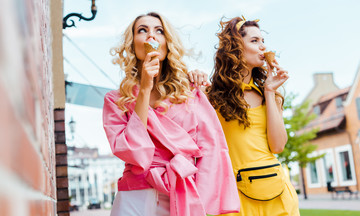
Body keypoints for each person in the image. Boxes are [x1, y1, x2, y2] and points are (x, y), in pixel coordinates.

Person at [102, 12, 240, 216]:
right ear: (133, 45)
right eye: (142, 30)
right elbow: (134, 153)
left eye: (159, 31)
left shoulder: (190, 93)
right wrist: (145, 89)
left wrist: (211, 202)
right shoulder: (115, 100)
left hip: (182, 193)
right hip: (134, 197)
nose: (152, 36)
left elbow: (213, 148)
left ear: (167, 43)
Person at [189, 16, 299, 216]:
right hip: (234, 197)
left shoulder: (270, 96)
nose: (263, 47)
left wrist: (269, 91)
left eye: (263, 41)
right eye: (255, 41)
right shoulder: (209, 96)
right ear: (235, 47)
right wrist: (191, 80)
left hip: (277, 194)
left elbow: (278, 146)